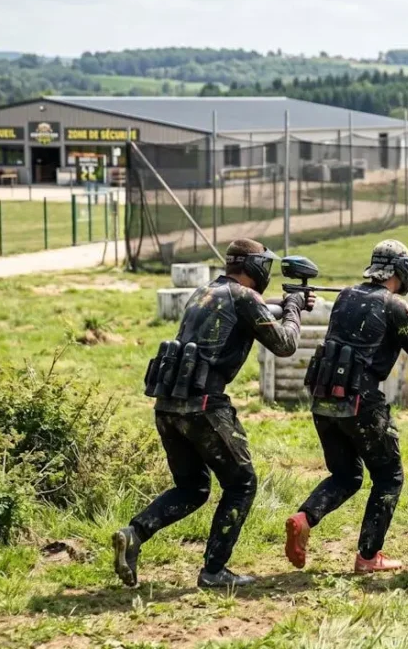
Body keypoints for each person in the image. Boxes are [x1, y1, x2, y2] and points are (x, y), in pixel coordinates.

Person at [113, 238, 310, 588]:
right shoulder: (245, 297)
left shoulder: (205, 292)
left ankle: (134, 533)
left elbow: (250, 313)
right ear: (254, 267)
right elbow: (285, 344)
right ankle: (214, 571)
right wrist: (294, 310)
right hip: (205, 407)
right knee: (242, 483)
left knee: (192, 488)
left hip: (169, 405)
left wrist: (284, 304)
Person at [283, 240, 408, 574]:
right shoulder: (394, 306)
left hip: (323, 397)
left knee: (346, 475)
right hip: (361, 401)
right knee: (389, 477)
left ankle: (304, 518)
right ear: (402, 271)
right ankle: (368, 557)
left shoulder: (346, 296)